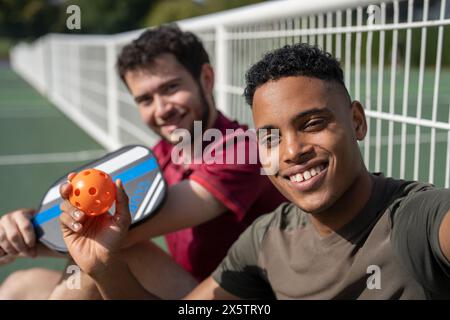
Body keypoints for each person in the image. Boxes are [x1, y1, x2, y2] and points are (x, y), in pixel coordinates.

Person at [58, 43, 450, 299]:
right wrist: (103, 269)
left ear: (357, 121)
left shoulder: (415, 221)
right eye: (270, 137)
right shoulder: (265, 238)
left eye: (312, 123)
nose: (292, 151)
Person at [0, 24, 286, 299]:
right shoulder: (163, 153)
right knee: (20, 286)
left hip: (231, 298)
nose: (161, 109)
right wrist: (24, 224)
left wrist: (26, 235)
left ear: (206, 79)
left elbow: (117, 235)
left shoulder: (243, 151)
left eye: (171, 88)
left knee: (110, 249)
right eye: (146, 99)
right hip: (182, 284)